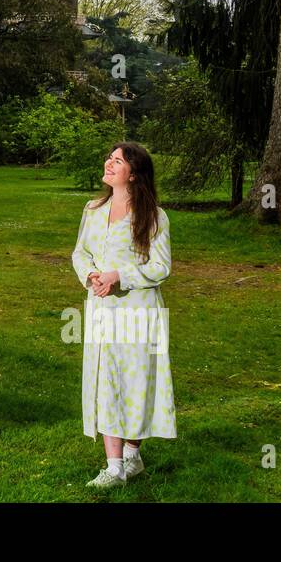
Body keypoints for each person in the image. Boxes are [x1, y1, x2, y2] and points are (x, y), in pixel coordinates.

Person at [71, 141, 176, 488]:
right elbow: (80, 252)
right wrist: (90, 275)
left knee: (137, 382)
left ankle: (132, 455)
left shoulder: (153, 216)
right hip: (102, 308)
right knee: (106, 379)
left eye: (118, 161)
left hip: (137, 311)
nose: (109, 163)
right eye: (109, 158)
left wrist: (121, 277)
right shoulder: (93, 210)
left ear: (133, 175)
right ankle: (114, 467)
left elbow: (161, 266)